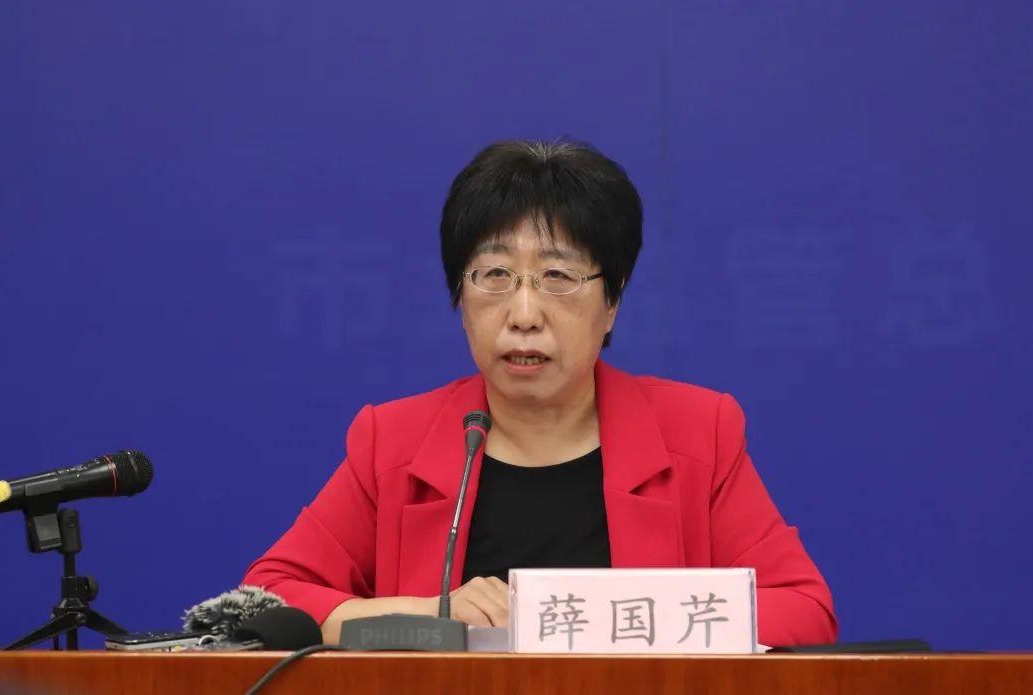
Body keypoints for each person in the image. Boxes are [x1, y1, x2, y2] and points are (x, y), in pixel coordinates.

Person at [243, 140, 837, 647]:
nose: (524, 314)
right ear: (460, 295)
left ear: (612, 301)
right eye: (495, 276)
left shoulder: (697, 432)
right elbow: (267, 599)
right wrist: (430, 614)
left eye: (558, 277)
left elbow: (804, 610)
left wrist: (585, 619)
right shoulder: (394, 442)